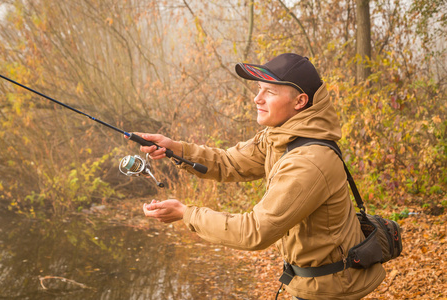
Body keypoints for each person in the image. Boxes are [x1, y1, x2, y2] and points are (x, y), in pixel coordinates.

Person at [135, 53, 385, 299]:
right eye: (258, 89)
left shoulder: (310, 161)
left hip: (330, 291)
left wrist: (185, 214)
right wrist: (175, 149)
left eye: (270, 92)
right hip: (312, 284)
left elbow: (254, 231)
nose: (257, 98)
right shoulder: (280, 136)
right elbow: (228, 162)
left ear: (300, 101)